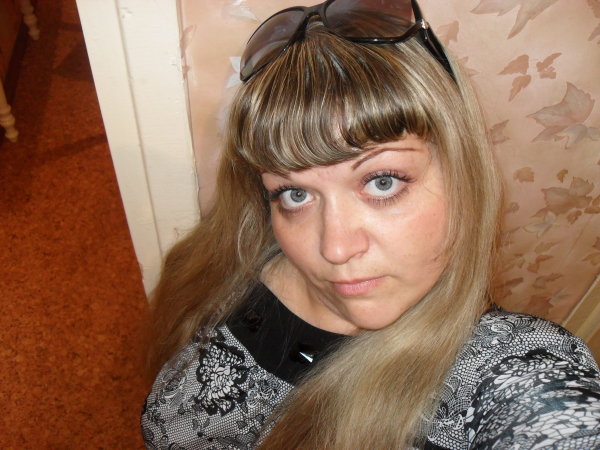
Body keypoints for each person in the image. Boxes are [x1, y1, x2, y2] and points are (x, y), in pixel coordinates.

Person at [141, 0, 600, 448]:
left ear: (464, 172)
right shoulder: (233, 256)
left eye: (382, 182)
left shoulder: (513, 372)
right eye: (295, 194)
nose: (335, 248)